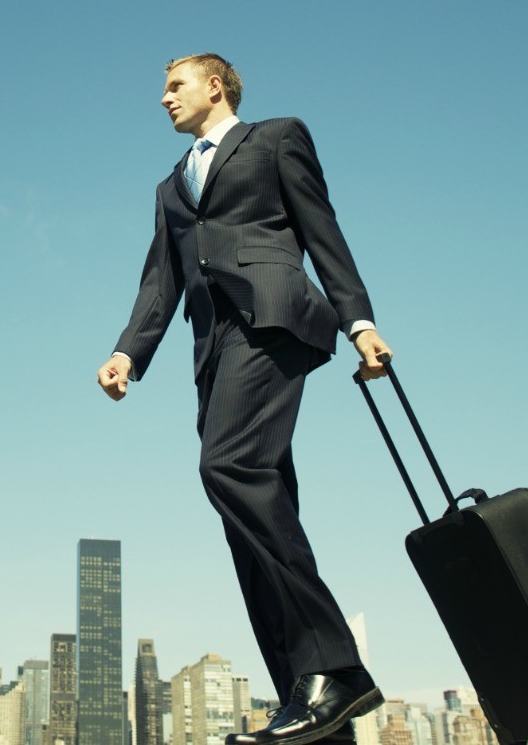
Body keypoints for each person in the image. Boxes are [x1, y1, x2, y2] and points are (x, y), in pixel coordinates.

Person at [97, 54, 391, 745]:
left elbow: (322, 232)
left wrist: (360, 322)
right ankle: (311, 707)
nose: (163, 98)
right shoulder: (170, 187)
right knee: (249, 517)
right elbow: (160, 282)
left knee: (228, 467)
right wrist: (127, 352)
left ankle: (337, 669)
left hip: (272, 319)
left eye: (174, 85)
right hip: (214, 349)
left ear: (215, 86)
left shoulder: (276, 138)